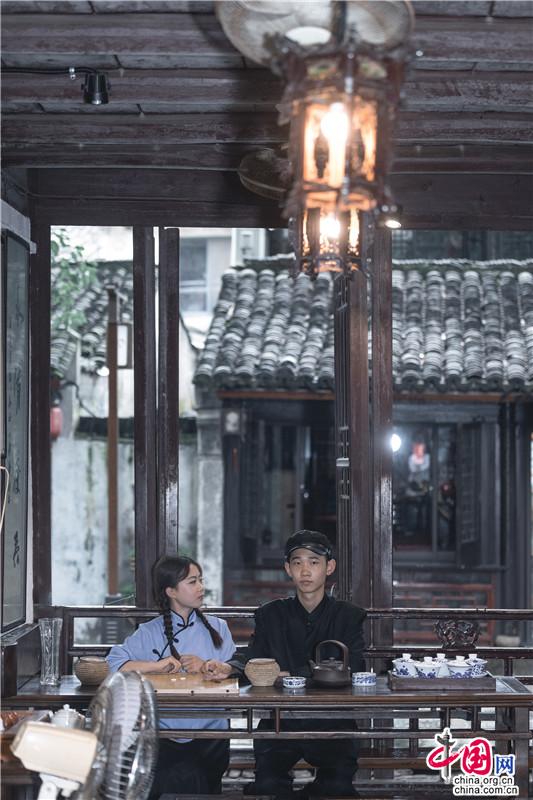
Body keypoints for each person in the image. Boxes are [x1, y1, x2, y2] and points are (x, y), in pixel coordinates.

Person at [204, 530, 366, 799]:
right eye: (297, 562)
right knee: (269, 786)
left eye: (314, 562)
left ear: (329, 567)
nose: (305, 571)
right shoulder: (271, 614)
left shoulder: (348, 616)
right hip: (280, 720)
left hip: (332, 720)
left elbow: (355, 666)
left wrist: (292, 675)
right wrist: (230, 668)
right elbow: (254, 657)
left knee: (337, 789)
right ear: (288, 569)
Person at [106, 555, 237, 799]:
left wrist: (208, 666)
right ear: (171, 591)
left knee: (194, 777)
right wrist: (155, 665)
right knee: (175, 777)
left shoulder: (219, 627)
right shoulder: (148, 632)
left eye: (201, 580)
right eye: (192, 582)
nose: (201, 587)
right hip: (162, 735)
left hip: (211, 734)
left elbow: (235, 670)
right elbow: (113, 665)